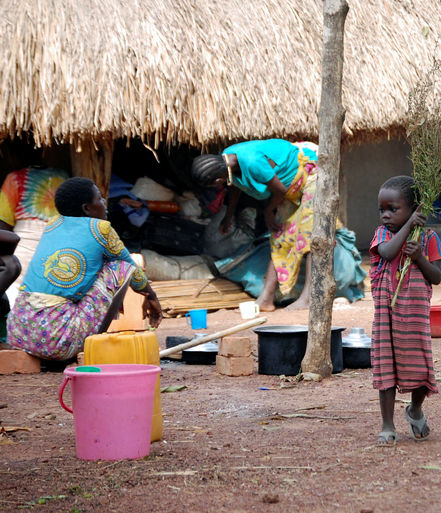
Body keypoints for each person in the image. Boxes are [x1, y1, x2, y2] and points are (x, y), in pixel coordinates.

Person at [6, 177, 162, 361]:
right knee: (119, 267)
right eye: (99, 199)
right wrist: (151, 296)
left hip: (19, 333)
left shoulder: (52, 225)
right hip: (57, 343)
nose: (104, 203)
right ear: (87, 208)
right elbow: (131, 269)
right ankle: (93, 343)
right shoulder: (100, 229)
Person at [192, 139, 324, 312]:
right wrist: (228, 215)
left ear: (218, 179)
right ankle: (266, 299)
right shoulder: (227, 161)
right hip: (288, 188)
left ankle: (308, 297)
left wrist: (269, 211)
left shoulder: (253, 163)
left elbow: (281, 191)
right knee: (279, 239)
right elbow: (235, 186)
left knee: (308, 236)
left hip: (310, 172)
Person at [370, 176, 441, 445]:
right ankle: (387, 424)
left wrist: (419, 258)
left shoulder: (429, 239)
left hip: (414, 316)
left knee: (418, 367)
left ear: (414, 208)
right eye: (382, 210)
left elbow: (436, 277)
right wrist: (409, 225)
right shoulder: (383, 236)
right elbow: (389, 254)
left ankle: (415, 410)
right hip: (387, 316)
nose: (386, 216)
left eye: (393, 209)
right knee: (386, 368)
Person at [0, 166, 69, 304]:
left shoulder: (14, 179)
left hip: (23, 252)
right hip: (59, 254)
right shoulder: (66, 178)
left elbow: (3, 224)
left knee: (15, 301)